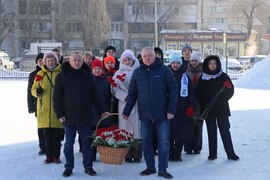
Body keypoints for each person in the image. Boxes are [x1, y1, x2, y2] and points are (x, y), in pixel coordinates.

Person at [123, 47, 177, 179]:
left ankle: (163, 169)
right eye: (145, 56)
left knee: (164, 142)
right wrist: (127, 111)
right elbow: (132, 94)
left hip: (163, 114)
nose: (147, 58)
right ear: (141, 57)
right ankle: (150, 167)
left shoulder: (164, 70)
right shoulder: (137, 73)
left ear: (155, 56)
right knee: (146, 142)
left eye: (150, 56)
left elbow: (174, 90)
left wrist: (171, 110)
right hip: (145, 114)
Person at [53, 51, 109, 177]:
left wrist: (102, 110)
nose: (77, 63)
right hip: (68, 115)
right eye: (74, 60)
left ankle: (88, 166)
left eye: (79, 60)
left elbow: (95, 95)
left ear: (82, 61)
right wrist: (59, 113)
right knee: (68, 145)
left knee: (87, 144)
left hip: (85, 115)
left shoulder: (87, 75)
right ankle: (69, 167)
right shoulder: (61, 76)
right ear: (70, 61)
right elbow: (57, 98)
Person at [195, 55, 239, 161]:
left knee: (224, 130)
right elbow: (198, 94)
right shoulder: (203, 78)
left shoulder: (223, 76)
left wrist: (220, 99)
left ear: (218, 64)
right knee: (211, 131)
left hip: (221, 108)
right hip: (208, 109)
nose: (212, 65)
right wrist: (205, 104)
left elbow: (230, 90)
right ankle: (212, 154)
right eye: (210, 63)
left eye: (214, 63)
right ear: (207, 65)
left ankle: (230, 153)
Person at [31, 51, 64, 164]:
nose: (50, 62)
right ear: (44, 62)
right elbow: (33, 89)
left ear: (56, 61)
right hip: (44, 108)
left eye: (52, 60)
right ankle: (49, 156)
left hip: (57, 109)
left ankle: (56, 156)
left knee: (56, 135)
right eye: (48, 60)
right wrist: (37, 91)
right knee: (47, 135)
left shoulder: (60, 72)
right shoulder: (40, 74)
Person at [112, 49, 142, 163]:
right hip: (124, 103)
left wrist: (136, 95)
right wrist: (125, 96)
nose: (127, 61)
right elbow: (114, 88)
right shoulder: (118, 73)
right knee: (125, 128)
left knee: (137, 129)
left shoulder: (138, 71)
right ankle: (128, 154)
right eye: (125, 59)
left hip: (137, 103)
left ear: (133, 60)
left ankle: (137, 153)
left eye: (129, 59)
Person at [167, 53, 195, 162]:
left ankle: (177, 154)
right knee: (169, 133)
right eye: (173, 63)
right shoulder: (166, 75)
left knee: (181, 133)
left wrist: (190, 107)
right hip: (170, 109)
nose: (175, 65)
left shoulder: (185, 77)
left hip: (182, 109)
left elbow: (191, 94)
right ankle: (170, 154)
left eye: (177, 63)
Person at [90, 58, 113, 161]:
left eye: (99, 68)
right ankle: (92, 155)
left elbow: (111, 95)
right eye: (95, 68)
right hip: (92, 112)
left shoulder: (107, 80)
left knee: (104, 134)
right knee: (93, 135)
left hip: (105, 110)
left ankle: (106, 154)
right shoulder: (89, 80)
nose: (97, 70)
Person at [185, 52, 204, 154]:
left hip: (200, 103)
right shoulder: (186, 72)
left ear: (199, 61)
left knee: (198, 125)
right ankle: (188, 147)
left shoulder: (203, 72)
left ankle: (197, 147)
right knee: (189, 125)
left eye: (196, 60)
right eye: (192, 60)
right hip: (189, 102)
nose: (193, 62)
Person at [27, 52, 45, 155]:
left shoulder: (48, 72)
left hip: (49, 105)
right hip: (38, 104)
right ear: (36, 62)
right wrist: (31, 106)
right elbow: (29, 91)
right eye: (39, 61)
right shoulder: (33, 75)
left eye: (43, 60)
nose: (42, 63)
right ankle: (42, 146)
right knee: (41, 127)